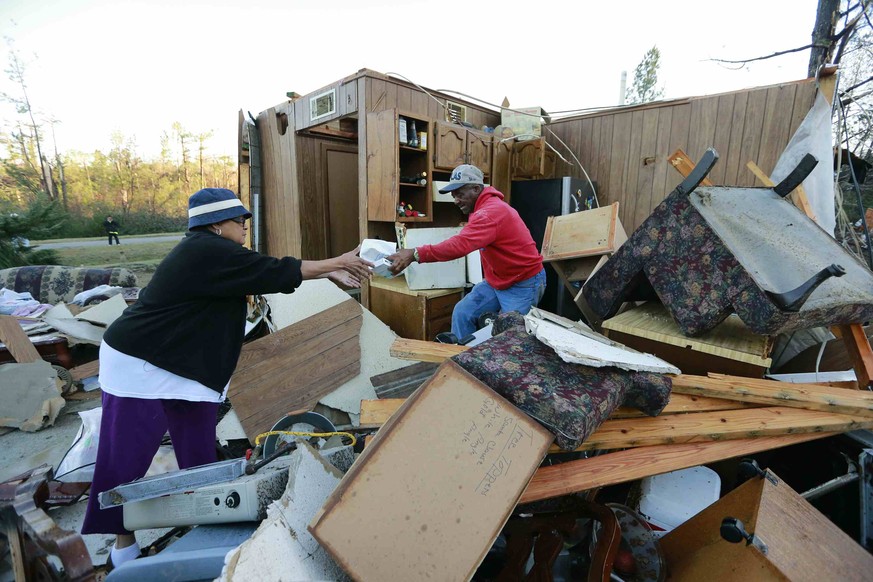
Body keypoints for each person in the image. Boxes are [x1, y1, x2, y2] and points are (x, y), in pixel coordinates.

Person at [81, 188, 373, 570]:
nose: (244, 228)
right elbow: (270, 270)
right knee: (127, 454)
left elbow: (259, 276)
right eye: (239, 222)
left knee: (199, 451)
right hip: (141, 362)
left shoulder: (214, 254)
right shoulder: (204, 250)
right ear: (216, 224)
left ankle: (205, 524)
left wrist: (325, 273)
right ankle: (123, 546)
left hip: (182, 364)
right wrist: (334, 263)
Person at [388, 164, 545, 340]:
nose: (456, 200)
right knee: (463, 312)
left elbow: (459, 246)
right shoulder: (483, 208)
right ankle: (464, 359)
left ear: (477, 189)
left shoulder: (490, 212)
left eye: (460, 194)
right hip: (498, 280)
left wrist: (415, 253)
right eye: (454, 196)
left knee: (510, 337)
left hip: (522, 281)